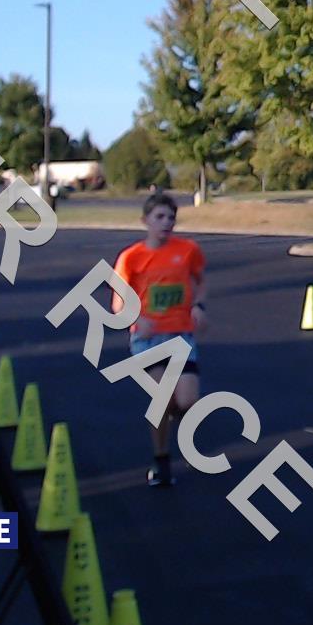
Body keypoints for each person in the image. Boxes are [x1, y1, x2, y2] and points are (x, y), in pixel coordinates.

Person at [112, 192, 207, 487]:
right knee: (162, 399)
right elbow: (118, 303)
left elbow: (201, 282)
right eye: (160, 217)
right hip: (148, 341)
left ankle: (170, 422)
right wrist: (137, 319)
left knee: (188, 401)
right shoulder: (131, 257)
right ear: (145, 221)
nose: (166, 223)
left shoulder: (188, 250)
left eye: (171, 218)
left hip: (181, 336)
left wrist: (198, 306)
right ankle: (161, 460)